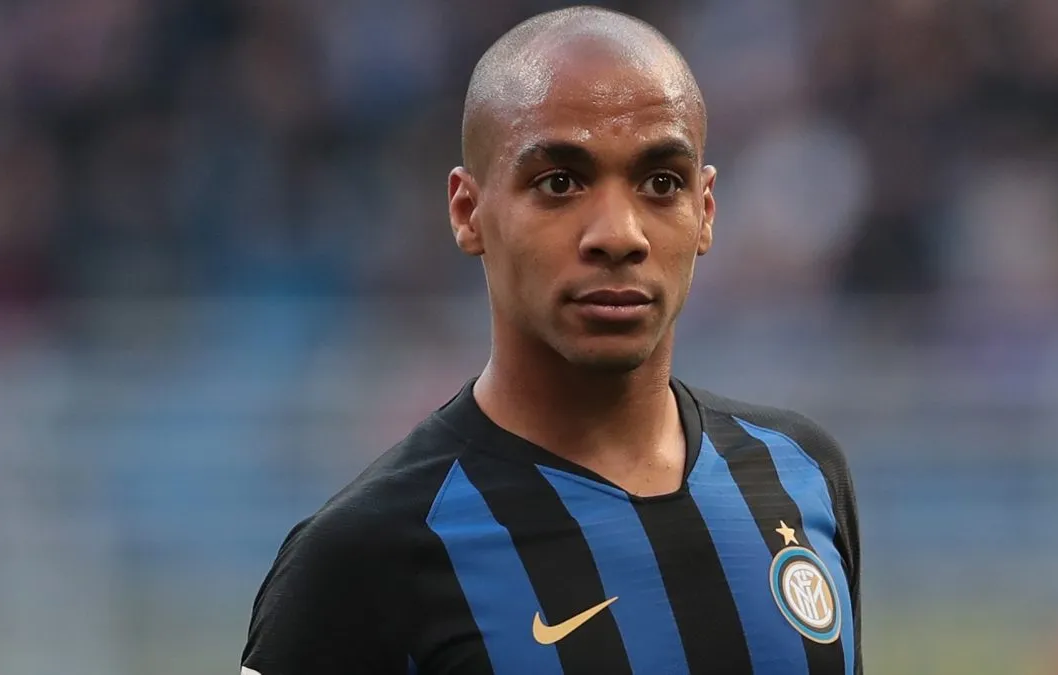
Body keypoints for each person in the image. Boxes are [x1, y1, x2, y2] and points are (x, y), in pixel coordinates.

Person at [241, 6, 863, 674]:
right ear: (467, 212)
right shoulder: (365, 555)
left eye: (661, 183)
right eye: (559, 182)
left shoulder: (799, 477)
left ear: (705, 212)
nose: (619, 233)